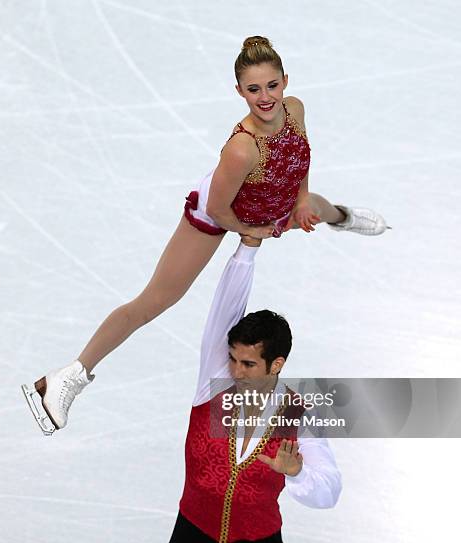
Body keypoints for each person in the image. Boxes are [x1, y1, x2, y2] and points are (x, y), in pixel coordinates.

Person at [21, 35, 389, 436]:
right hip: (223, 214)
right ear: (239, 92)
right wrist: (251, 232)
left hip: (275, 198)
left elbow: (300, 158)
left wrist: (299, 200)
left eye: (271, 86)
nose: (265, 97)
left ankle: (343, 216)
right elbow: (218, 209)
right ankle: (68, 377)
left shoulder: (295, 109)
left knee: (317, 206)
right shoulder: (241, 149)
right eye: (253, 90)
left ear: (285, 81)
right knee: (156, 300)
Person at [150, 234, 342, 543]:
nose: (236, 371)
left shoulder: (298, 418)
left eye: (249, 364)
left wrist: (298, 473)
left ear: (277, 364)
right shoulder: (213, 385)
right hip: (194, 539)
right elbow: (224, 310)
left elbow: (330, 491)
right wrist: (248, 248)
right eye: (233, 360)